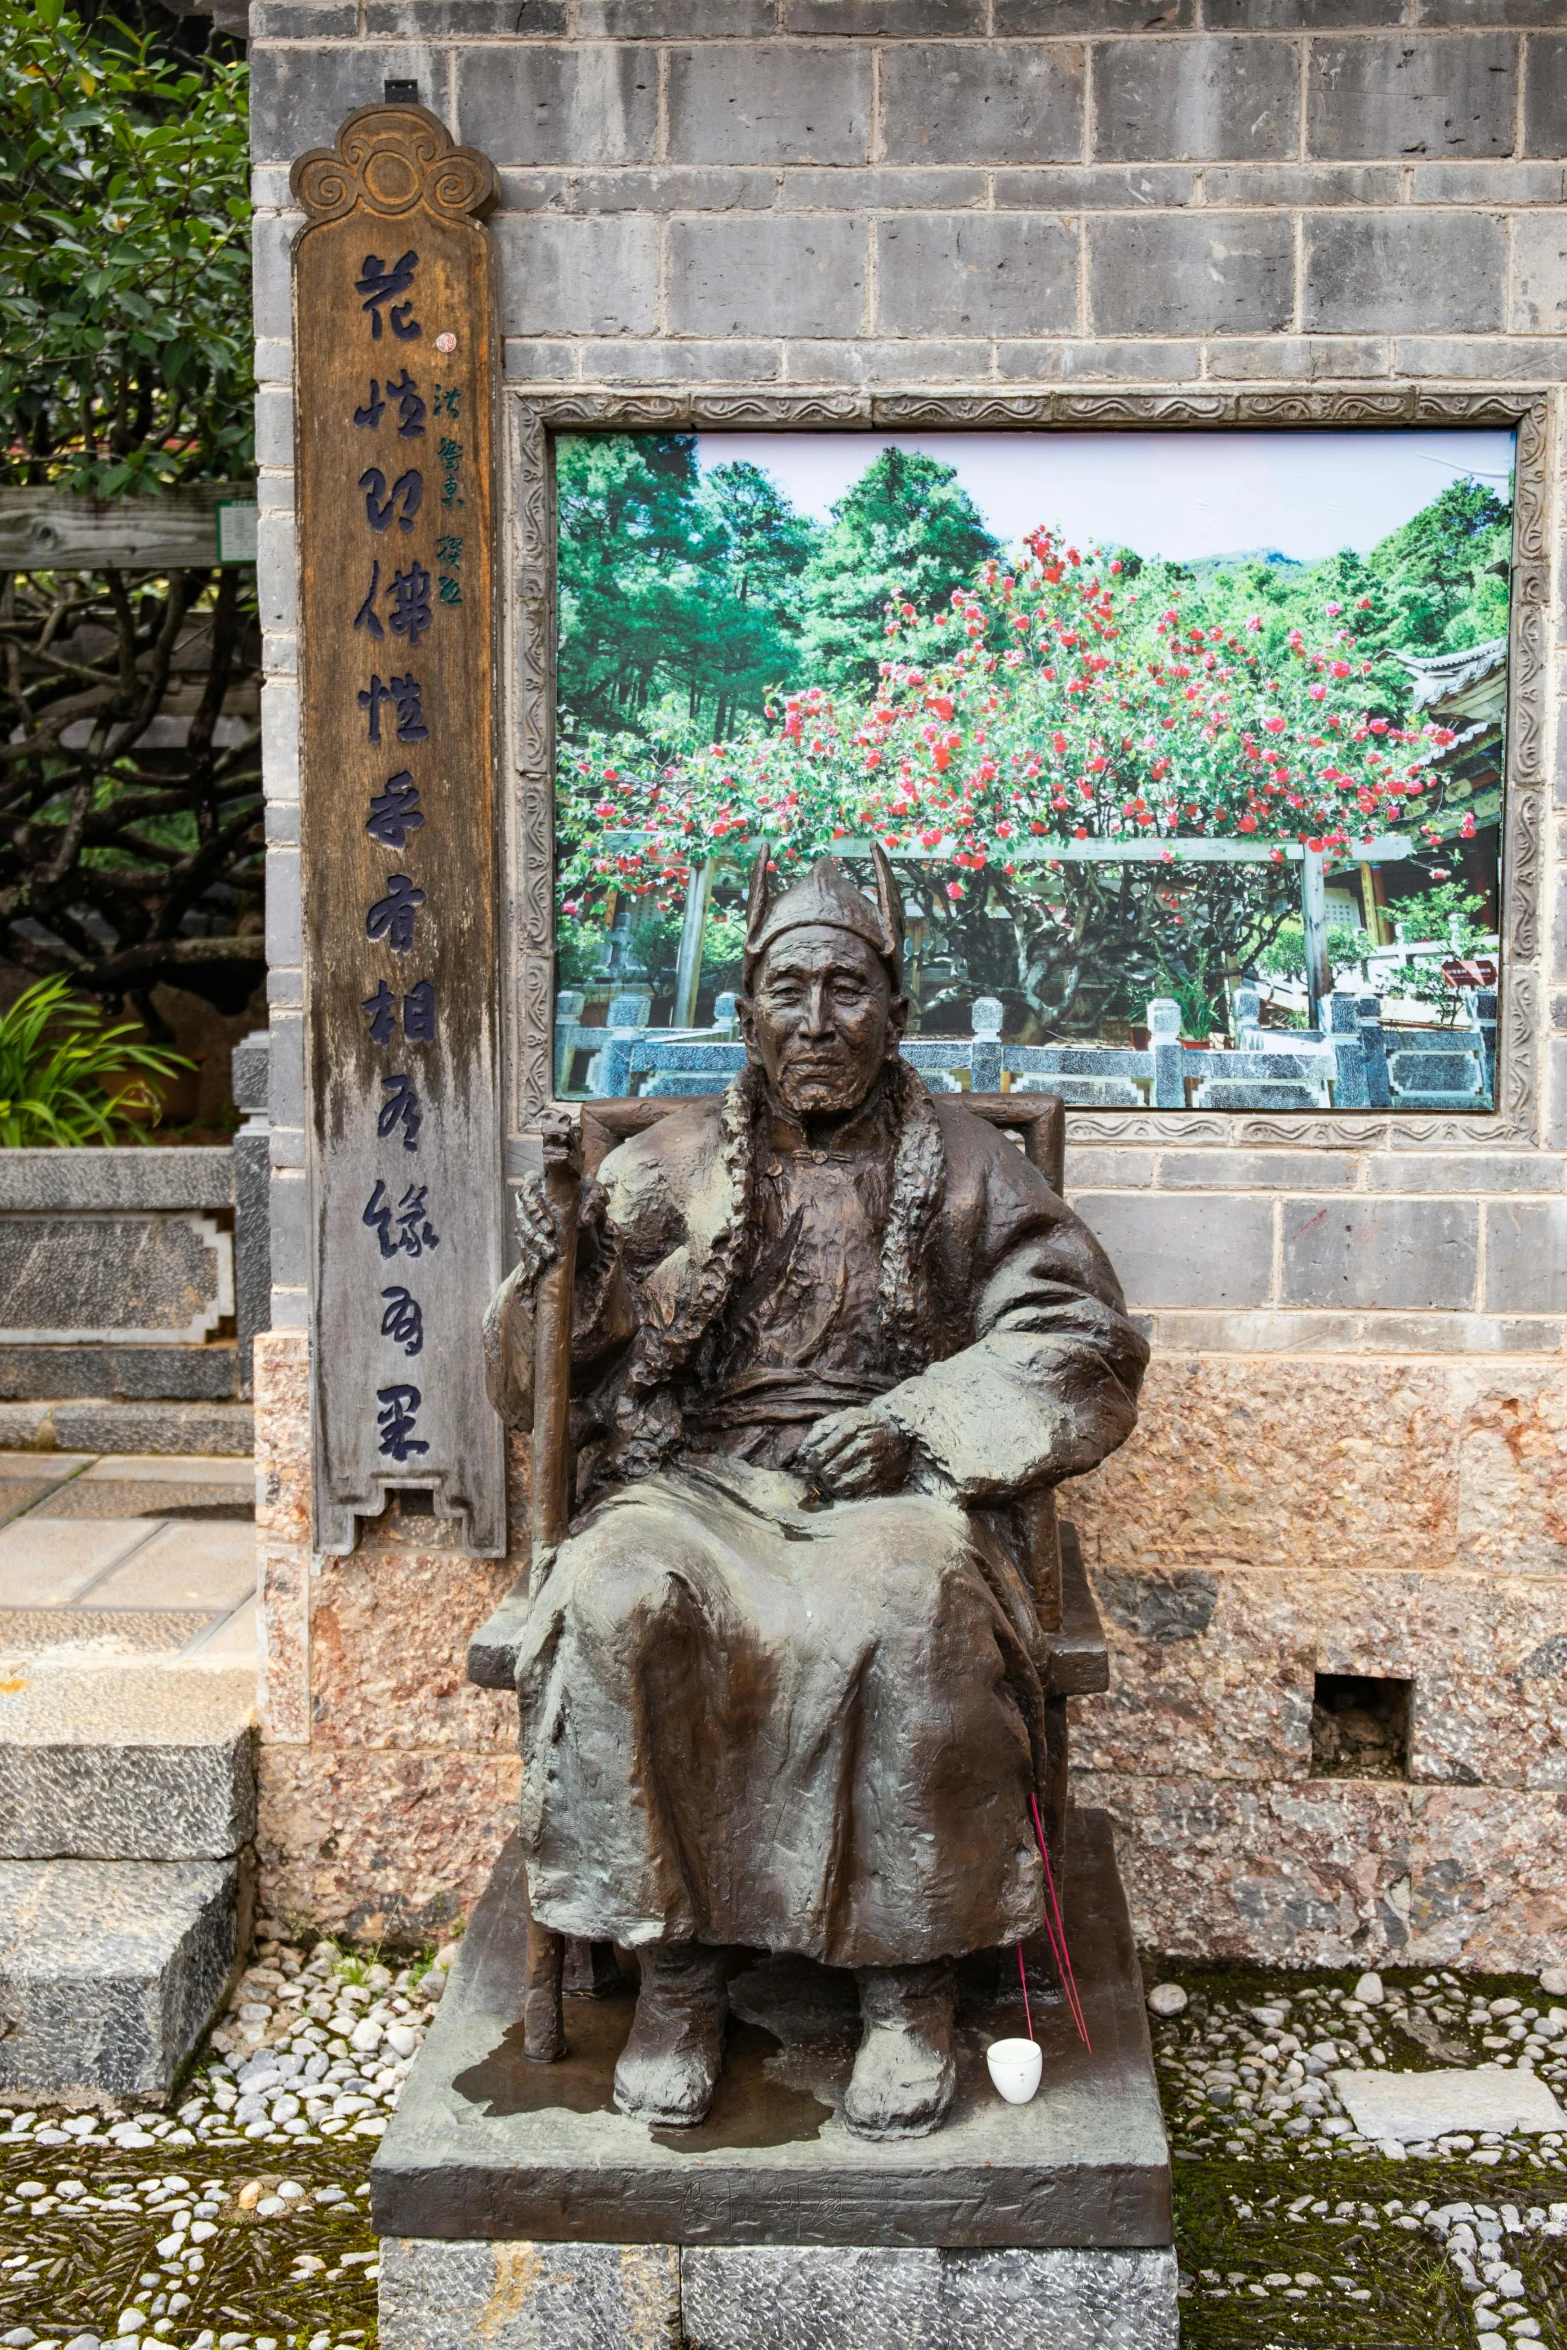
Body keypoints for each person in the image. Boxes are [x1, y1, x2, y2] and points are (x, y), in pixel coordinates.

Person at [484, 848, 1146, 2137]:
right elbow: (536, 1386)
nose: (818, 1021)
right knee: (618, 1597)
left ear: (896, 1008)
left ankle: (908, 1991)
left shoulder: (966, 1167)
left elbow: (1082, 1341)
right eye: (788, 990)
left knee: (910, 1606)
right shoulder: (670, 1165)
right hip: (693, 1485)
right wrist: (560, 1273)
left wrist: (915, 1424)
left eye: (849, 989)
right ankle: (676, 1980)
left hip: (890, 1498)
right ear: (746, 1014)